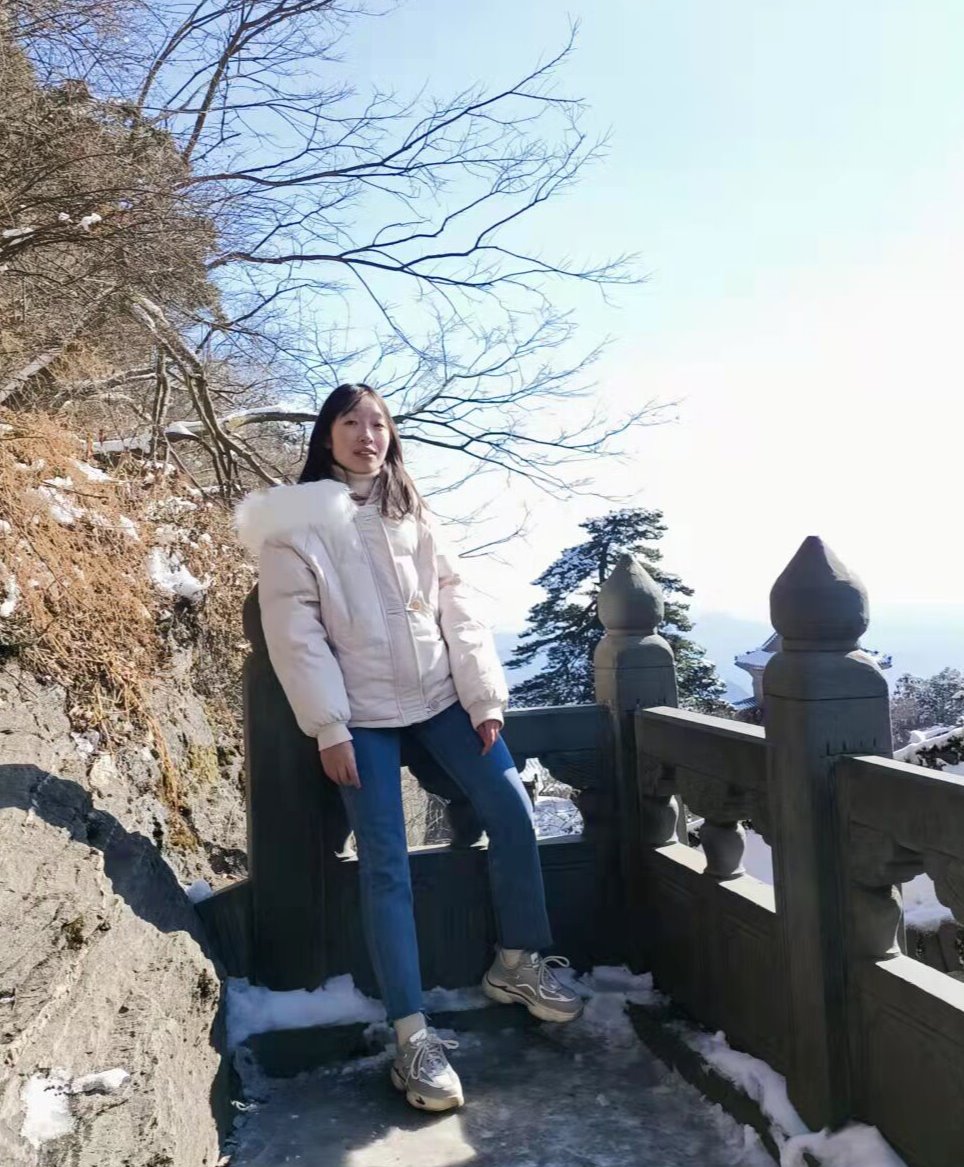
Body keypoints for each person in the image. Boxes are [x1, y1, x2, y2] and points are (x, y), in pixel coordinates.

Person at [235, 383, 583, 1113]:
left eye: (379, 423)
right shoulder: (294, 525)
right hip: (360, 714)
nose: (368, 434)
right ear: (326, 435)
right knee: (385, 863)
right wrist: (329, 726)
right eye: (351, 422)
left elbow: (457, 604)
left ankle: (517, 960)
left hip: (439, 698)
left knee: (511, 806)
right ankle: (411, 1036)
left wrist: (483, 698)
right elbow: (295, 634)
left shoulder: (410, 509)